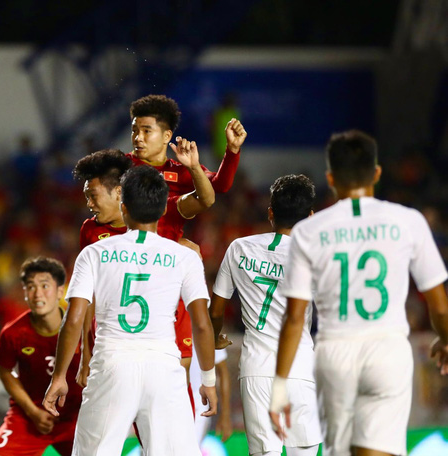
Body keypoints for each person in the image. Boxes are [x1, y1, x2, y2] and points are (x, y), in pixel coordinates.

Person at [269, 131, 448, 456]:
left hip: (335, 354)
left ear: (331, 178)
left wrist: (279, 385)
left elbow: (295, 317)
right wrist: (446, 339)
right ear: (377, 173)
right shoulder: (409, 221)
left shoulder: (308, 231)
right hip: (388, 352)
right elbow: (439, 305)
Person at [43, 165, 218, 455]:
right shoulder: (185, 257)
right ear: (164, 210)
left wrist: (59, 376)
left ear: (123, 207)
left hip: (112, 363)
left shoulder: (94, 253)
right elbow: (201, 324)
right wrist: (208, 381)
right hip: (163, 366)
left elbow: (73, 320)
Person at [210, 174, 322, 456]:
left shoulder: (239, 248)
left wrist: (215, 337)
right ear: (310, 217)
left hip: (256, 370)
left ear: (270, 213)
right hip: (301, 368)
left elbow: (216, 309)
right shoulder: (316, 255)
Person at [0, 256, 82, 456]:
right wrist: (32, 412)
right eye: (30, 287)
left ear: (59, 291)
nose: (38, 293)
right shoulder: (13, 334)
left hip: (78, 417)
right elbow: (4, 370)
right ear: (25, 293)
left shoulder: (84, 328)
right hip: (32, 417)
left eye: (45, 285)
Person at [128, 94, 246, 240]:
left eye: (146, 131)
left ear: (167, 136)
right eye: (134, 130)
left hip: (166, 258)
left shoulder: (182, 171)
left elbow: (221, 185)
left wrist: (232, 150)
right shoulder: (119, 166)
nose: (138, 137)